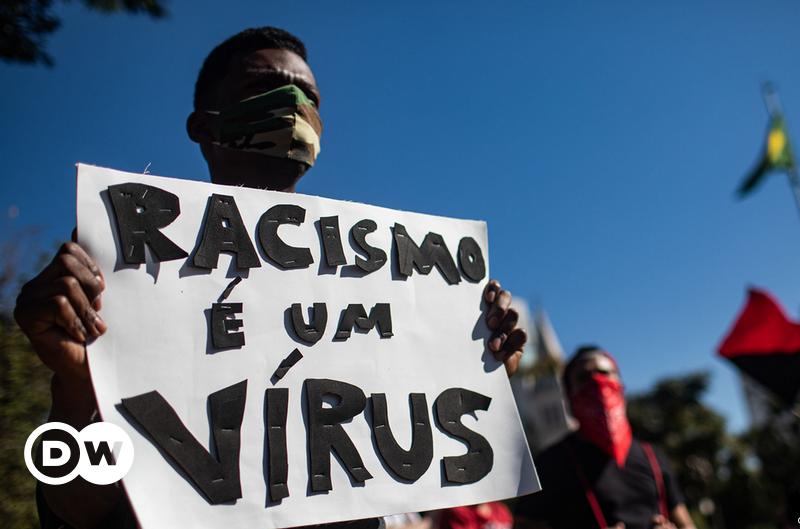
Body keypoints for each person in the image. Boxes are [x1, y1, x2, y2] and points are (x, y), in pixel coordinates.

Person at [13, 27, 527, 529]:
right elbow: (78, 512)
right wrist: (78, 385)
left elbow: (430, 472)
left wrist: (479, 369)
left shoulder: (388, 281)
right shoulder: (128, 268)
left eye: (309, 96)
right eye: (263, 88)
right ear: (203, 126)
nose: (293, 105)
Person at [514, 346, 696, 529]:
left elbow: (686, 523)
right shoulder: (550, 464)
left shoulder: (653, 457)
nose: (597, 382)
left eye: (605, 373)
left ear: (621, 387)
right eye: (584, 378)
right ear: (569, 397)